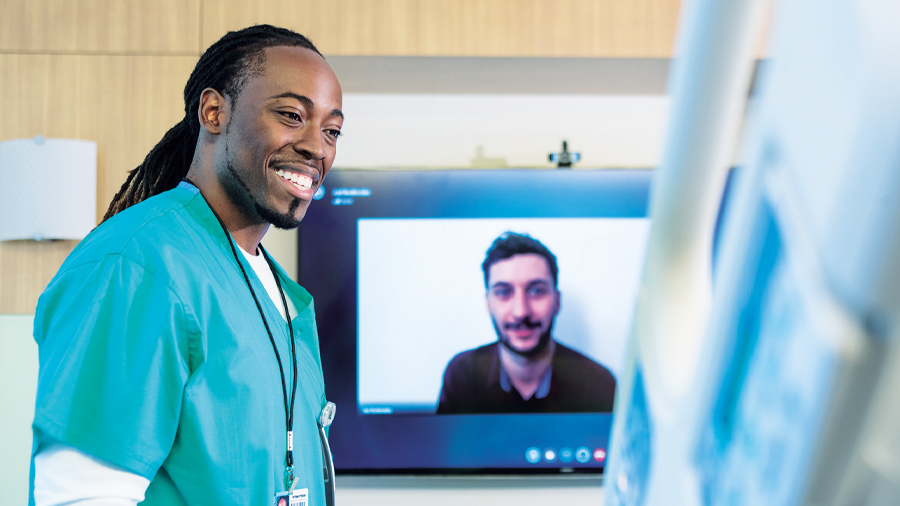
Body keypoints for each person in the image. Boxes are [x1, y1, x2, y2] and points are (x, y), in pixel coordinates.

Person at [28, 25, 343, 505]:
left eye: (331, 130)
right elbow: (81, 497)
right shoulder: (137, 266)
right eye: (291, 115)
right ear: (214, 111)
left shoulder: (277, 293)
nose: (316, 147)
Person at [437, 232, 617, 414]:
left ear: (557, 301)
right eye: (503, 292)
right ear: (488, 303)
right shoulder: (464, 375)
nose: (521, 312)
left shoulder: (597, 382)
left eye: (537, 291)